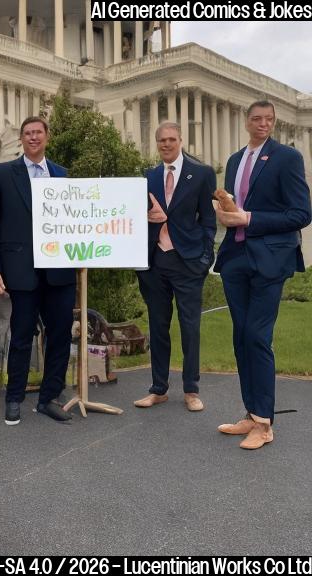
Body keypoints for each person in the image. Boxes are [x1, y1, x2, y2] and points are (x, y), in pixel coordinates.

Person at [214, 100, 311, 450]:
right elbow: (234, 208)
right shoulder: (235, 161)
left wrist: (249, 218)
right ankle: (251, 413)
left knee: (257, 335)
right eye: (257, 119)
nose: (263, 124)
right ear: (246, 121)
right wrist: (227, 215)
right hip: (236, 258)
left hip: (270, 259)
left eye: (269, 119)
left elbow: (301, 213)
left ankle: (265, 424)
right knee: (241, 337)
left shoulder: (287, 158)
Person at [0, 116, 74, 425]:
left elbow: (75, 222)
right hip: (20, 271)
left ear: (47, 137)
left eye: (38, 133)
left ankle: (49, 398)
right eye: (28, 133)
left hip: (59, 271)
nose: (33, 137)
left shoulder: (62, 175)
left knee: (59, 336)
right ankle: (14, 397)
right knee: (20, 337)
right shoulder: (1, 174)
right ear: (22, 139)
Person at [134, 122, 216, 413]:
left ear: (180, 140)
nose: (167, 144)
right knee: (157, 327)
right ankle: (158, 389)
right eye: (161, 141)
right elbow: (136, 216)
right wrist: (147, 217)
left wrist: (206, 257)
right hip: (155, 262)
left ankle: (191, 390)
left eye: (171, 139)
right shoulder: (149, 176)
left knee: (190, 327)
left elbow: (208, 219)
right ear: (156, 144)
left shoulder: (202, 174)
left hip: (188, 261)